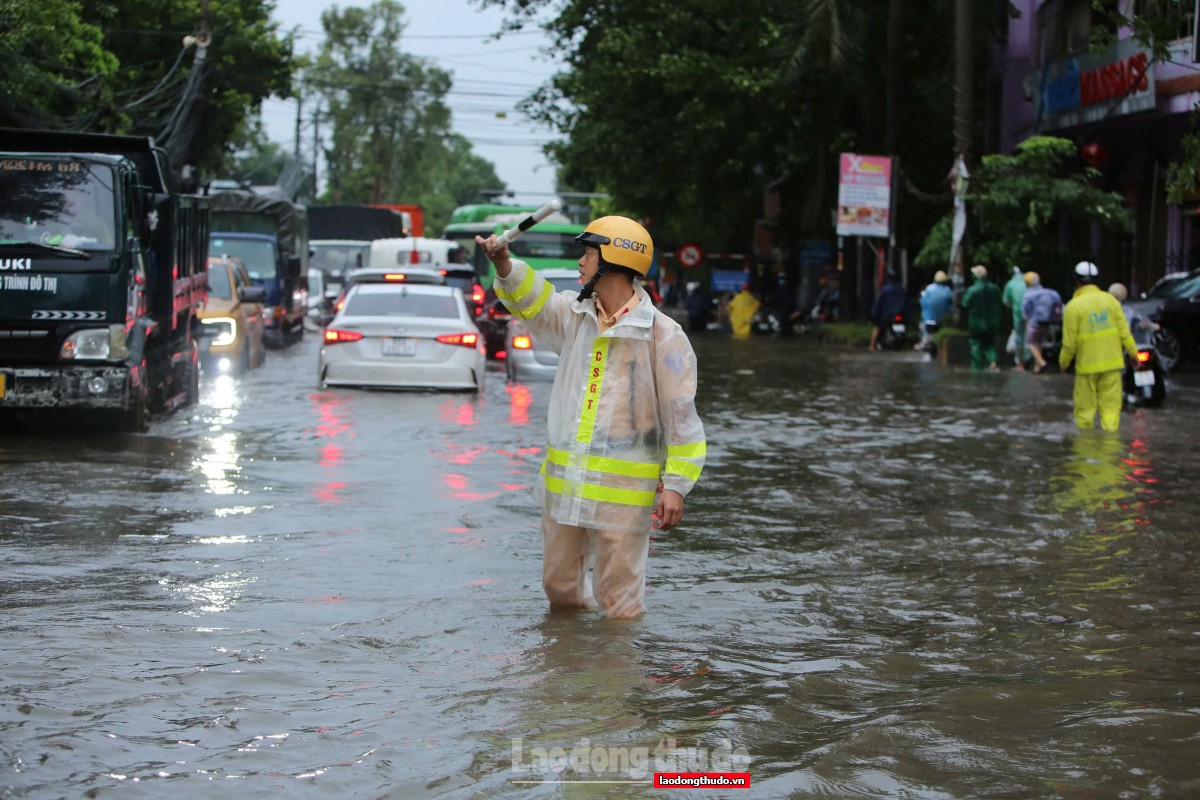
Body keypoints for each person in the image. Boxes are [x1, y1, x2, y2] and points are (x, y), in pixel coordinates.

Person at [475, 216, 706, 619]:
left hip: (623, 496)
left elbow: (681, 415)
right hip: (566, 488)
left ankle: (613, 677)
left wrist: (676, 485)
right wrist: (503, 263)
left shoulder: (662, 335)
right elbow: (532, 300)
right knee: (559, 589)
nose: (581, 261)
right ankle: (570, 670)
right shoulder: (573, 316)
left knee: (619, 605)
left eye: (588, 252)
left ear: (614, 260)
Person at [1059, 261, 1138, 431]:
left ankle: (1085, 451)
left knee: (1084, 413)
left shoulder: (1073, 307)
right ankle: (1109, 450)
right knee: (1110, 410)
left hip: (1086, 368)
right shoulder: (1110, 301)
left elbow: (1069, 343)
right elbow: (1125, 331)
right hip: (1112, 365)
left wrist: (1063, 364)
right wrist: (1134, 354)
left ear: (1076, 282)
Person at [960, 264, 1002, 371]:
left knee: (975, 344)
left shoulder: (972, 290)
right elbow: (999, 303)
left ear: (976, 276)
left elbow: (965, 304)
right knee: (990, 344)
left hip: (976, 323)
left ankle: (977, 368)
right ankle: (993, 362)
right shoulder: (995, 288)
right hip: (992, 322)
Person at [1020, 271, 1062, 373]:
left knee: (1030, 344)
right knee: (1038, 343)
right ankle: (1037, 368)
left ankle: (1042, 363)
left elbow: (1025, 311)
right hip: (1047, 321)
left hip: (1034, 322)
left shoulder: (1028, 294)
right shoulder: (1047, 292)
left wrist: (1026, 321)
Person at [867, 271, 907, 350]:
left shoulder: (884, 290)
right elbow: (906, 304)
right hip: (899, 315)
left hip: (886, 316)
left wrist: (873, 315)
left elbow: (877, 304)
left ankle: (871, 346)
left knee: (877, 328)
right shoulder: (901, 289)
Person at [916, 270, 953, 353]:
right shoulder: (947, 290)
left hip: (928, 318)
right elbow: (950, 303)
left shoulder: (929, 288)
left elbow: (922, 302)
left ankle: (923, 342)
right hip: (941, 318)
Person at [1001, 265, 1028, 370]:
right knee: (1033, 339)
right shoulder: (1028, 280)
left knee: (1020, 338)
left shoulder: (1010, 284)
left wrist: (1013, 304)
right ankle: (1035, 363)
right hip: (1033, 315)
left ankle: (1021, 364)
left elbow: (1006, 301)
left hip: (1018, 314)